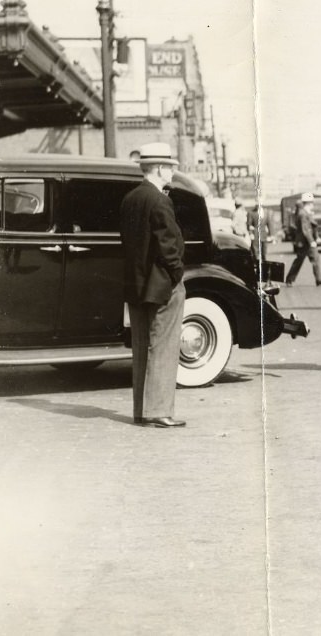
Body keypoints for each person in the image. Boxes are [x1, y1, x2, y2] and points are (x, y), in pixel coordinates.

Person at [119, 142, 186, 428]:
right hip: (161, 285)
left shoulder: (130, 198)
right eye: (170, 167)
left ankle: (141, 412)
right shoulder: (160, 201)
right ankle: (158, 410)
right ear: (159, 168)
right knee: (164, 346)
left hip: (136, 285)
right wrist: (176, 273)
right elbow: (169, 245)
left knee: (142, 345)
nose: (172, 172)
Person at [285, 193, 321, 286]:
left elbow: (311, 227)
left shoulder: (306, 213)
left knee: (314, 259)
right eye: (312, 203)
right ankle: (289, 279)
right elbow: (306, 229)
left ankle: (319, 279)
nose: (313, 204)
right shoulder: (303, 214)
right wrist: (311, 241)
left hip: (305, 242)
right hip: (304, 242)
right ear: (309, 203)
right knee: (300, 261)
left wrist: (315, 238)